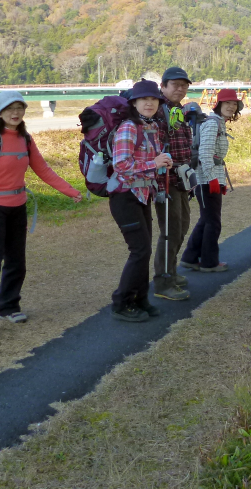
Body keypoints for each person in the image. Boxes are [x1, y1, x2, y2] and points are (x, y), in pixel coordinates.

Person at [0, 91, 81, 342]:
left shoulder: (25, 139)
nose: (15, 113)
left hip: (17, 207)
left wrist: (71, 191)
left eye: (20, 108)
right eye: (10, 108)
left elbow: (43, 169)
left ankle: (9, 307)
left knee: (16, 262)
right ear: (0, 112)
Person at [109, 80, 173, 322]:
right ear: (134, 103)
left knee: (143, 250)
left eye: (154, 99)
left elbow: (149, 160)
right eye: (144, 99)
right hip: (125, 196)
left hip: (142, 194)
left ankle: (140, 299)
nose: (149, 102)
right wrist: (154, 164)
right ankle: (121, 303)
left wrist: (162, 160)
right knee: (140, 250)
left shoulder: (151, 127)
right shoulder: (128, 128)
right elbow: (121, 165)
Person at [180, 88, 240, 273]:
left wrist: (218, 179)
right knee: (213, 221)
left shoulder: (218, 123)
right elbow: (205, 155)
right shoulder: (213, 123)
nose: (231, 106)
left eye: (234, 104)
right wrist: (213, 179)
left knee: (206, 220)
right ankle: (209, 263)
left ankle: (190, 258)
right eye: (227, 103)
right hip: (206, 179)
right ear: (219, 104)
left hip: (210, 177)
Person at [153, 67, 193, 301]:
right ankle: (163, 282)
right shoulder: (158, 110)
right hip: (164, 179)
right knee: (170, 230)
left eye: (184, 85)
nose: (180, 89)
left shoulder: (177, 110)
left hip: (180, 177)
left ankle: (171, 271)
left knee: (182, 225)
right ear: (164, 86)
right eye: (175, 84)